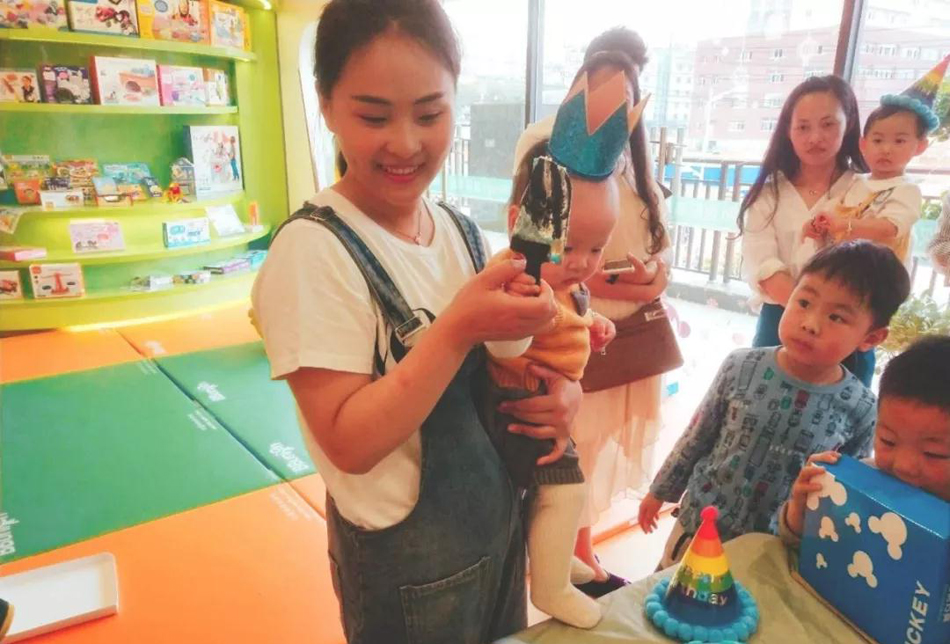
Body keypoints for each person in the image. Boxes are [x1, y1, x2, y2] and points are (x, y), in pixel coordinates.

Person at [251, 1, 584, 641]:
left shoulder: (458, 229)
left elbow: (502, 364)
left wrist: (559, 391)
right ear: (326, 105)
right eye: (373, 116)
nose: (405, 143)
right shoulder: (314, 251)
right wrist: (456, 328)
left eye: (430, 114)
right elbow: (349, 443)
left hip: (499, 534)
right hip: (408, 575)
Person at [638, 241, 911, 570]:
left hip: (775, 552)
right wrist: (660, 491)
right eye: (804, 302)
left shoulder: (862, 408)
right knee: (669, 595)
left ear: (871, 338)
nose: (810, 323)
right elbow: (698, 433)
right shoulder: (741, 366)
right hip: (700, 525)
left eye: (836, 317)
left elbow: (841, 491)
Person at [516, 34, 671, 598]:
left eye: (626, 93)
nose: (613, 102)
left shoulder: (635, 168)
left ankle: (578, 555)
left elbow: (659, 245)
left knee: (590, 453)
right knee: (565, 454)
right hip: (566, 334)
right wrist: (593, 277)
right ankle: (560, 566)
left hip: (615, 331)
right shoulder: (547, 148)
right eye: (602, 86)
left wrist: (653, 279)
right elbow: (535, 239)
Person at [739, 75, 874, 385]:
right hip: (780, 323)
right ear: (788, 131)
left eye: (828, 125)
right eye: (803, 127)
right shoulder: (768, 193)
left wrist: (832, 320)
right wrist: (812, 315)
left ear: (848, 124)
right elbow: (764, 266)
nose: (815, 137)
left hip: (848, 332)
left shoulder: (865, 191)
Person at [780, 334, 950, 546]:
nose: (903, 466)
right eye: (888, 441)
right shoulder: (863, 481)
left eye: (934, 453)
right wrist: (803, 509)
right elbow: (800, 545)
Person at [801, 103, 930, 265]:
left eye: (899, 141)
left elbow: (890, 228)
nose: (886, 149)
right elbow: (831, 211)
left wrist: (845, 224)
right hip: (842, 267)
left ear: (920, 146)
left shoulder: (907, 189)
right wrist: (816, 224)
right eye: (877, 140)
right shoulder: (856, 181)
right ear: (863, 144)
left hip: (877, 273)